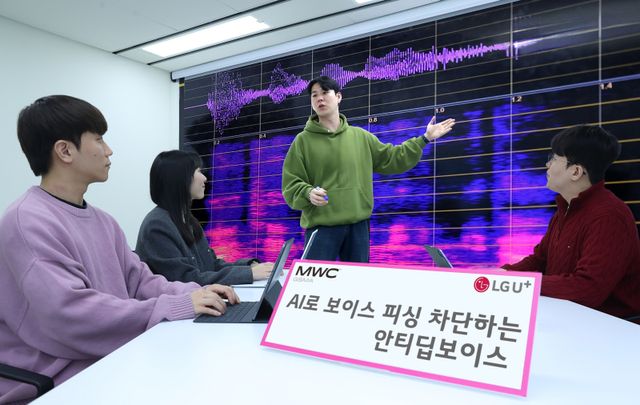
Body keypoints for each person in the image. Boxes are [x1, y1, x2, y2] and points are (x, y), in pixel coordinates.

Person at [0, 95, 239, 404]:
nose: (109, 150)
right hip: (60, 375)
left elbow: (140, 282)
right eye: (99, 139)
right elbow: (72, 315)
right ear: (65, 150)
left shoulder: (103, 221)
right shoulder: (26, 221)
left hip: (111, 355)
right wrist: (173, 307)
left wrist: (196, 293)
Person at [281, 76, 456, 262]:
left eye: (325, 93)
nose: (320, 98)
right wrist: (307, 193)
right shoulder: (303, 141)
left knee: (357, 280)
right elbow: (291, 183)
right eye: (314, 95)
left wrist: (424, 139)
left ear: (338, 97)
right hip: (321, 228)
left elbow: (393, 158)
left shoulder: (361, 137)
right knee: (314, 278)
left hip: (358, 228)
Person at [503, 125, 640, 320]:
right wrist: (501, 274)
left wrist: (518, 283)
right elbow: (540, 260)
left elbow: (587, 289)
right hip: (571, 319)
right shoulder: (566, 209)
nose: (547, 165)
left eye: (554, 159)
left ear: (575, 171)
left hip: (611, 327)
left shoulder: (608, 216)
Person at [136, 150, 274, 285]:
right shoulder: (157, 226)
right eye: (198, 171)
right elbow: (187, 279)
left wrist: (249, 266)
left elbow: (211, 265)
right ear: (180, 178)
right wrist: (249, 274)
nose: (205, 178)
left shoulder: (188, 221)